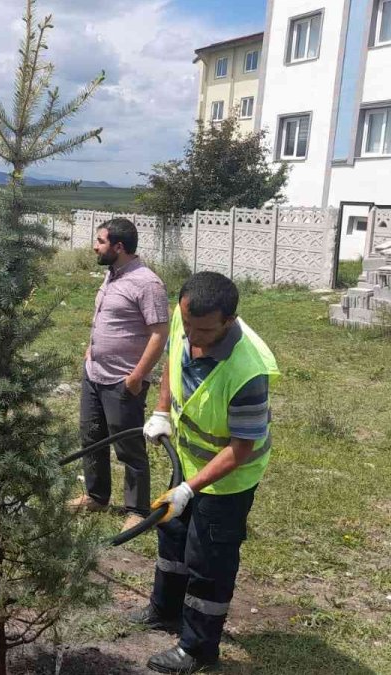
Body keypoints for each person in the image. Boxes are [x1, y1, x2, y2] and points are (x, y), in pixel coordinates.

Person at [134, 271, 279, 674]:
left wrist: (189, 490)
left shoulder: (249, 372)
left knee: (208, 560)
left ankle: (197, 649)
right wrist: (162, 410)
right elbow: (171, 362)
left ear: (229, 321)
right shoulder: (188, 314)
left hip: (227, 480)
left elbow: (241, 449)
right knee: (173, 535)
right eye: (189, 326)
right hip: (187, 462)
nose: (194, 336)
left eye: (205, 330)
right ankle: (164, 611)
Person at [69, 218, 169, 532]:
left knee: (128, 446)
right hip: (94, 374)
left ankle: (137, 511)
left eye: (100, 241)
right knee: (91, 436)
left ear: (119, 246)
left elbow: (159, 333)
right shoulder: (111, 275)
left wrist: (137, 377)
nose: (95, 246)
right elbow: (104, 319)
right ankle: (97, 497)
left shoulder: (147, 283)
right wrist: (90, 349)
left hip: (123, 381)